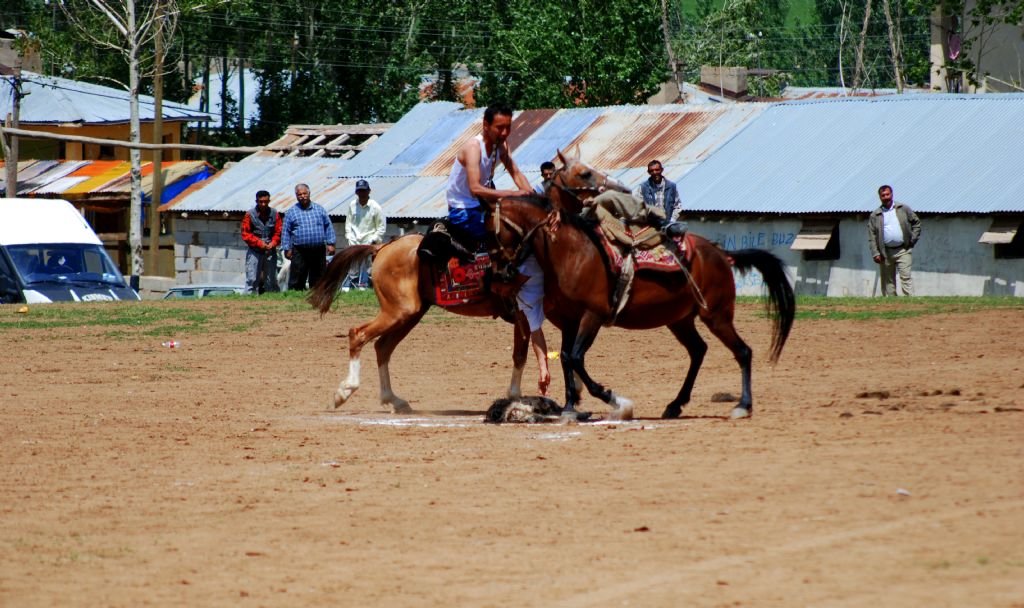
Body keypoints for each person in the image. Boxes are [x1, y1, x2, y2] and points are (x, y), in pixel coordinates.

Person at [445, 103, 550, 396]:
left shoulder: (500, 146)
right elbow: (477, 188)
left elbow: (515, 172)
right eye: (500, 127)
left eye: (508, 127)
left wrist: (532, 197)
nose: (505, 132)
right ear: (485, 124)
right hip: (464, 209)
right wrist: (513, 194)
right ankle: (500, 288)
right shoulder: (473, 148)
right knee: (503, 238)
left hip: (485, 205)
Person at [868, 184, 922, 297]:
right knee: (888, 281)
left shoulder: (903, 209)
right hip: (885, 252)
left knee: (906, 276)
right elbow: (872, 235)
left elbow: (916, 223)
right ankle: (891, 305)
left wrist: (912, 239)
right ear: (880, 197)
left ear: (891, 194)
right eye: (883, 195)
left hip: (903, 249)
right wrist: (875, 253)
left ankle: (911, 302)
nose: (886, 197)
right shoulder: (876, 215)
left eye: (887, 194)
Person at [282, 183, 336, 291]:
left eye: (304, 193)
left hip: (318, 249)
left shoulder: (319, 209)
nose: (302, 196)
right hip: (299, 250)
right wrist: (286, 248)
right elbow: (285, 232)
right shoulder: (291, 212)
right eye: (299, 194)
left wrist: (331, 243)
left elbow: (328, 226)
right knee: (297, 277)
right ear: (296, 196)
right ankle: (295, 297)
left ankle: (317, 297)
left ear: (309, 193)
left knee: (318, 276)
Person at [342, 179, 386, 292]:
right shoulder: (352, 205)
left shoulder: (375, 207)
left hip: (370, 243)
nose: (362, 193)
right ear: (356, 192)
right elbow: (349, 223)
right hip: (355, 242)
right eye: (359, 191)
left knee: (371, 268)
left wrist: (374, 240)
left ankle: (372, 290)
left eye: (364, 191)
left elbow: (381, 227)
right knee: (353, 268)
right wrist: (349, 237)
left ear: (369, 191)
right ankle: (353, 290)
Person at [240, 190, 282, 295]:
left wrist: (273, 243)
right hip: (255, 251)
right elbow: (245, 234)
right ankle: (249, 301)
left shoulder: (274, 213)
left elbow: (279, 231)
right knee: (252, 278)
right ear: (256, 201)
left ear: (269, 201)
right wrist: (259, 243)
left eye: (266, 202)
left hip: (270, 251)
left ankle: (272, 301)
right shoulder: (249, 214)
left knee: (271, 279)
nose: (263, 204)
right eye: (261, 202)